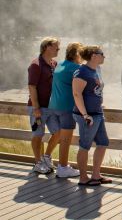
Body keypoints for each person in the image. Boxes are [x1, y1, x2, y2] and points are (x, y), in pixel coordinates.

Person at [72, 45, 111, 186]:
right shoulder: (82, 71)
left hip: (97, 113)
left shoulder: (97, 70)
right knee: (85, 145)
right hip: (87, 116)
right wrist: (85, 115)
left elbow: (97, 90)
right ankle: (83, 178)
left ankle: (96, 175)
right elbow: (76, 94)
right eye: (102, 54)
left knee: (103, 143)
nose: (104, 56)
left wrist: (99, 104)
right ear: (94, 55)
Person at [47, 42, 83, 178]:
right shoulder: (76, 68)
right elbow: (82, 89)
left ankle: (47, 157)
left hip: (54, 105)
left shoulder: (60, 64)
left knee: (58, 136)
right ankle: (62, 168)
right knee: (66, 139)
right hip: (67, 107)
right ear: (77, 54)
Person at [28, 37, 61, 174]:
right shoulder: (36, 65)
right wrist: (36, 108)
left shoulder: (54, 63)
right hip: (38, 107)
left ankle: (46, 157)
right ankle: (38, 163)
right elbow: (32, 86)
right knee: (38, 134)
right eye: (56, 47)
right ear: (47, 47)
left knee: (58, 132)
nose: (58, 49)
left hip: (51, 107)